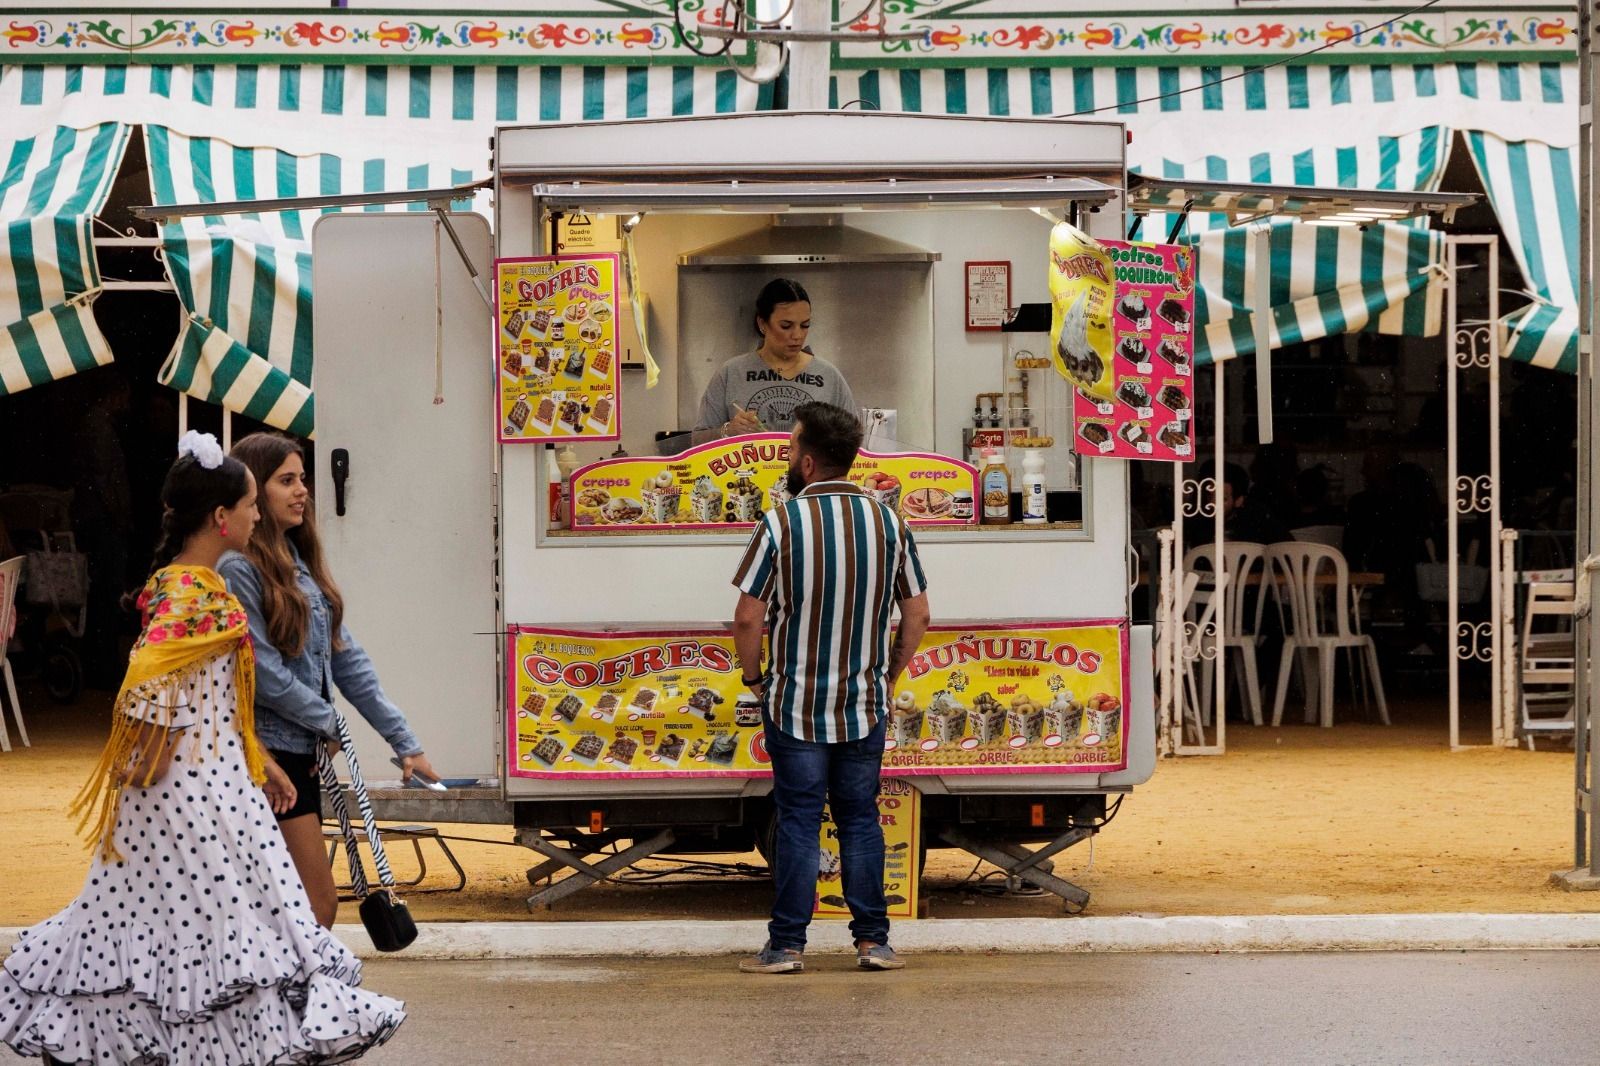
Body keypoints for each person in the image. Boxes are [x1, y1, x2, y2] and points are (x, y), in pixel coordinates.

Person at [0, 431, 405, 1065]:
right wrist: (155, 756)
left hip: (209, 791)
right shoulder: (194, 594)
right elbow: (154, 680)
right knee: (206, 936)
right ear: (221, 517)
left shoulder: (196, 587)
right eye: (249, 505)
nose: (256, 516)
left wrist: (256, 759)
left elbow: (206, 692)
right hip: (190, 801)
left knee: (173, 932)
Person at [730, 401, 931, 974]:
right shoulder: (891, 524)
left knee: (798, 818)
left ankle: (786, 947)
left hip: (793, 704)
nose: (790, 455)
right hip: (864, 705)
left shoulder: (780, 523)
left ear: (808, 461)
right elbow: (918, 614)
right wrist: (889, 676)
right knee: (859, 818)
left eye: (792, 446)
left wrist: (755, 678)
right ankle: (873, 943)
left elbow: (747, 618)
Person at [219, 432, 438, 930]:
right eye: (286, 481)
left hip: (301, 752)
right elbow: (263, 673)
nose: (302, 491)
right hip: (267, 753)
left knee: (295, 908)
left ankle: (279, 982)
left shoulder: (297, 559)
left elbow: (346, 659)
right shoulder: (238, 568)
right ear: (254, 491)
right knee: (314, 906)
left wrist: (404, 741)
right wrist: (330, 722)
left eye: (302, 479)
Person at [695, 278, 857, 438]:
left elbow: (854, 441)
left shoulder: (829, 377)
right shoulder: (731, 373)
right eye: (786, 326)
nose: (797, 335)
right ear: (762, 324)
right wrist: (728, 430)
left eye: (805, 325)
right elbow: (697, 440)